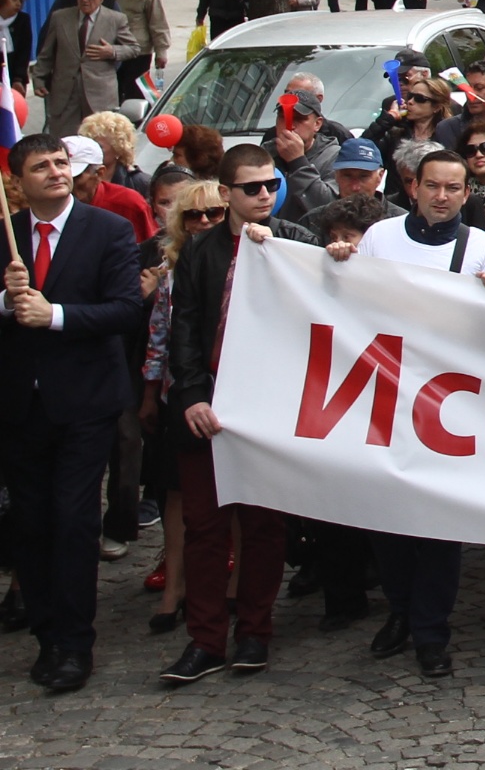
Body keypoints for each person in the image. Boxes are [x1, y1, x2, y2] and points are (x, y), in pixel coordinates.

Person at [318, 148, 485, 676]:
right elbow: (354, 304)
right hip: (388, 394)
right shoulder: (380, 238)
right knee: (389, 517)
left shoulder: (480, 246)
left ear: (466, 193)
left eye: (453, 188)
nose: (442, 196)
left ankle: (431, 630)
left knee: (440, 525)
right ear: (414, 188)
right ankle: (400, 610)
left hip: (448, 402)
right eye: (433, 186)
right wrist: (337, 266)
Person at [162, 144, 313, 685]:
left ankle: (254, 633)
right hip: (210, 403)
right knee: (204, 527)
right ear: (226, 193)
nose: (265, 195)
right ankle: (205, 640)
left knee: (264, 526)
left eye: (272, 185)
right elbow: (184, 329)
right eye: (252, 188)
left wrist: (337, 258)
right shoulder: (201, 252)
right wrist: (191, 396)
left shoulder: (296, 241)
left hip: (269, 406)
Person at [2, 133, 147, 693]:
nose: (56, 172)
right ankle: (45, 633)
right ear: (19, 180)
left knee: (73, 520)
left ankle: (74, 643)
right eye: (41, 166)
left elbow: (125, 310)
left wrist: (55, 315)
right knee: (31, 523)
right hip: (22, 404)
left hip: (85, 403)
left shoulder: (106, 230)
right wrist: (7, 301)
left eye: (61, 163)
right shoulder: (7, 234)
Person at [34, 0, 136, 133]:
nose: (84, 0)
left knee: (99, 138)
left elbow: (133, 48)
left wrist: (112, 51)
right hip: (65, 93)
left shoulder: (115, 19)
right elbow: (47, 53)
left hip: (99, 94)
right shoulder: (60, 18)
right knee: (64, 139)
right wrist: (39, 79)